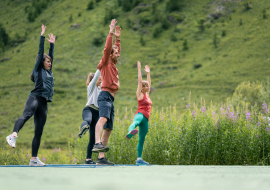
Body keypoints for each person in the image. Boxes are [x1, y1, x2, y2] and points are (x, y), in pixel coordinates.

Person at [6, 25, 55, 166]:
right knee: (26, 115)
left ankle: (34, 159)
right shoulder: (38, 69)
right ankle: (13, 135)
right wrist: (42, 36)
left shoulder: (49, 72)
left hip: (44, 103)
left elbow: (51, 57)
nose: (50, 63)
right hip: (35, 98)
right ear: (41, 63)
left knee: (38, 132)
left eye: (50, 62)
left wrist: (52, 45)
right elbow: (41, 53)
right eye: (47, 61)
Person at [92, 19, 121, 165]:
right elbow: (107, 49)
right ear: (110, 55)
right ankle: (97, 142)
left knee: (108, 128)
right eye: (116, 53)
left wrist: (118, 39)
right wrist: (110, 32)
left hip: (111, 98)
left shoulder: (113, 64)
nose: (118, 54)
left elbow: (115, 50)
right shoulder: (106, 62)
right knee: (103, 119)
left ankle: (101, 158)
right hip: (105, 96)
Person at [126, 61, 152, 165]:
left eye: (148, 86)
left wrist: (148, 73)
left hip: (146, 119)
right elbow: (140, 81)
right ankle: (130, 132)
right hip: (140, 114)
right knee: (135, 122)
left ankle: (139, 159)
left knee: (142, 139)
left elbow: (149, 83)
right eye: (146, 86)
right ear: (142, 88)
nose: (148, 86)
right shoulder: (140, 95)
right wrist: (139, 68)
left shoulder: (147, 95)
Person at [78, 69, 102, 165]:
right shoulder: (91, 87)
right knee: (87, 120)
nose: (101, 81)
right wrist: (102, 65)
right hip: (89, 109)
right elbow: (96, 76)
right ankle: (83, 128)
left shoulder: (101, 89)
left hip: (97, 113)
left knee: (92, 137)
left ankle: (88, 159)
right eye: (100, 80)